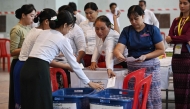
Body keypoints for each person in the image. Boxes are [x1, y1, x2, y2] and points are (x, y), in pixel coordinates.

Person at [20, 10, 104, 109]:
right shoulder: (62, 39)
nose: (69, 31)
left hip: (26, 68)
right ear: (64, 25)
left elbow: (41, 54)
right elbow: (74, 65)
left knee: (28, 102)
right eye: (70, 27)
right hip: (39, 70)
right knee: (42, 102)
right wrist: (90, 83)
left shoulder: (44, 33)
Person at [13, 8, 73, 109]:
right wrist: (66, 65)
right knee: (39, 101)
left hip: (23, 66)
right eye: (53, 23)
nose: (54, 27)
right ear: (46, 22)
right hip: (30, 67)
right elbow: (42, 59)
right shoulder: (41, 33)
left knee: (25, 101)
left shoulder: (35, 30)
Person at [114, 5, 164, 109]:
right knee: (135, 95)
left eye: (136, 18)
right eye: (131, 19)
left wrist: (146, 56)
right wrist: (118, 54)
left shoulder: (152, 29)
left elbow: (160, 49)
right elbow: (119, 48)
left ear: (143, 16)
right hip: (134, 69)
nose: (133, 22)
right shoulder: (127, 31)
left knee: (150, 96)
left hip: (151, 68)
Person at [9, 4, 36, 109]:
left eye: (34, 16)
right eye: (31, 15)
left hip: (27, 63)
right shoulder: (16, 29)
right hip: (18, 63)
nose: (33, 18)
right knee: (18, 93)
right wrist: (27, 47)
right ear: (23, 15)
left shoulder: (29, 28)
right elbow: (12, 51)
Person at [166, 0, 190, 108]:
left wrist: (173, 39)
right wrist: (178, 39)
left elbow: (187, 37)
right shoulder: (176, 20)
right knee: (177, 87)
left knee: (187, 87)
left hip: (187, 57)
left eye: (185, 3)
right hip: (176, 58)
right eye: (180, 3)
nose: (182, 5)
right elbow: (168, 37)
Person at [57, 5, 86, 86]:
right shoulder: (56, 29)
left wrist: (76, 62)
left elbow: (82, 48)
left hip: (71, 62)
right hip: (56, 63)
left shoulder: (76, 29)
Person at [79, 2, 104, 67]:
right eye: (86, 13)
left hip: (101, 55)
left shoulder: (105, 22)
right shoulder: (82, 25)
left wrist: (115, 19)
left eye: (90, 13)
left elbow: (115, 32)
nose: (88, 15)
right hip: (87, 55)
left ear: (97, 11)